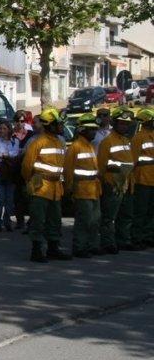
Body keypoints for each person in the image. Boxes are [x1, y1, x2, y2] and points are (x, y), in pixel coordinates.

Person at [21, 108, 67, 262]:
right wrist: (31, 181)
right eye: (58, 124)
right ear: (50, 125)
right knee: (38, 220)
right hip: (41, 187)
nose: (61, 126)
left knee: (55, 219)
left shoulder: (60, 142)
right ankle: (36, 250)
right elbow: (27, 166)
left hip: (55, 187)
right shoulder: (38, 142)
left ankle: (53, 248)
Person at [97, 108, 136, 255]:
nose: (125, 127)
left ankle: (123, 240)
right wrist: (110, 181)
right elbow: (102, 166)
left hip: (126, 184)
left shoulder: (126, 140)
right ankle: (108, 243)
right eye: (122, 124)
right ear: (115, 123)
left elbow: (129, 162)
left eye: (127, 124)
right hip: (113, 184)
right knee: (109, 216)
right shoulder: (107, 142)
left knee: (126, 215)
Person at [64, 114, 102, 259]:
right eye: (90, 129)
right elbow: (68, 170)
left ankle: (91, 246)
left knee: (94, 220)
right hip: (82, 190)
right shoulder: (76, 147)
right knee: (84, 220)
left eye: (94, 129)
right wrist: (69, 189)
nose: (94, 132)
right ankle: (79, 247)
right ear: (81, 130)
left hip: (93, 189)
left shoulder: (89, 146)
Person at [130, 109, 154, 249]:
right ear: (147, 122)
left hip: (152, 179)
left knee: (151, 210)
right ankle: (137, 237)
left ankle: (148, 236)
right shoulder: (138, 138)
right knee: (141, 211)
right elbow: (133, 160)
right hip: (142, 180)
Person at [0, 121, 18, 232]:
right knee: (0, 198)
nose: (2, 131)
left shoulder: (14, 141)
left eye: (4, 128)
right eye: (0, 129)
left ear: (9, 130)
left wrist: (3, 155)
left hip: (10, 172)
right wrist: (6, 155)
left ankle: (7, 221)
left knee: (9, 198)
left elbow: (15, 153)